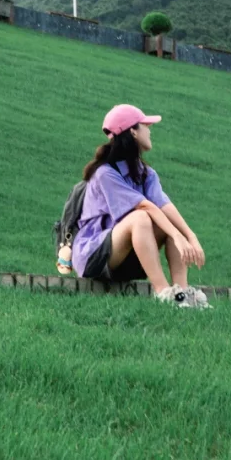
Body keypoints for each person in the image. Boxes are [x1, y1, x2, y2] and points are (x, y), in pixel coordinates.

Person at [72, 103, 209, 307]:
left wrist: (191, 236)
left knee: (168, 222)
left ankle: (183, 294)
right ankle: (164, 294)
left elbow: (164, 206)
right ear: (133, 132)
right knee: (141, 217)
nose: (150, 129)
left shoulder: (146, 173)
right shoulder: (105, 174)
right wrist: (177, 236)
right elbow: (146, 207)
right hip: (94, 258)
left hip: (126, 256)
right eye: (145, 125)